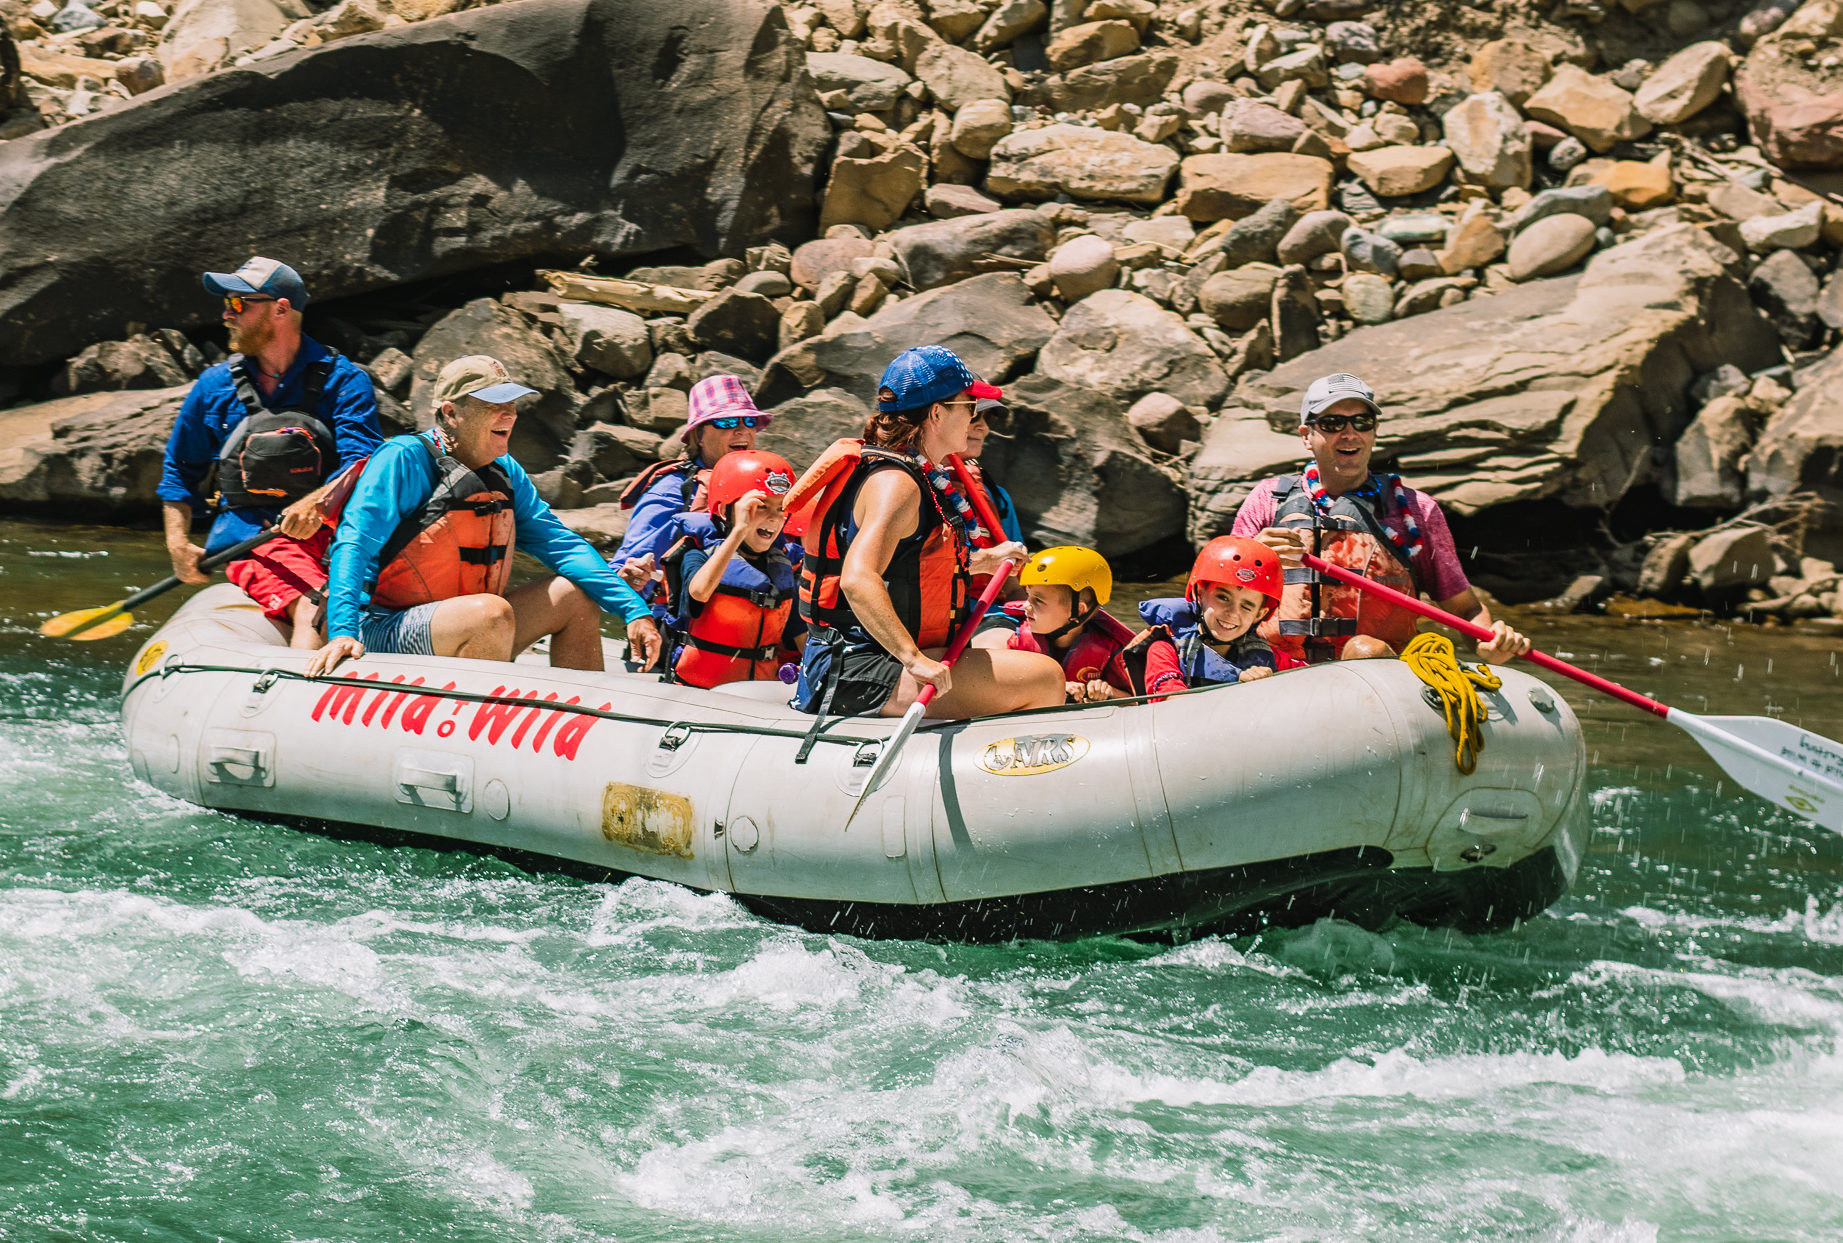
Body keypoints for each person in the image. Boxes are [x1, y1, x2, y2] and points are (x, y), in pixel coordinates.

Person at [304, 356, 662, 677]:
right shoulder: (403, 459)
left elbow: (563, 546)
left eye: (512, 403)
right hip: (381, 627)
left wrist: (634, 611)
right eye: (494, 404)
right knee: (489, 613)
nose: (510, 414)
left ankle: (586, 723)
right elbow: (353, 545)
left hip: (470, 623)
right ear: (451, 413)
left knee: (573, 594)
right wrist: (343, 634)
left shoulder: (505, 472)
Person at [788, 346, 1064, 720]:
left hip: (867, 660)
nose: (974, 417)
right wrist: (912, 658)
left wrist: (987, 560)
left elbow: (912, 564)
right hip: (854, 669)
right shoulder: (897, 484)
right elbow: (857, 578)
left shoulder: (916, 472)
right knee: (1045, 677)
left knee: (1022, 664)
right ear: (937, 413)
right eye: (968, 405)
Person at [156, 257, 383, 648]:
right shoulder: (214, 385)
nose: (226, 314)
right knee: (318, 608)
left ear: (281, 309)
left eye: (239, 304)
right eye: (226, 304)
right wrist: (177, 543)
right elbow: (179, 470)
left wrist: (315, 504)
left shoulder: (345, 381)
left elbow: (364, 463)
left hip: (330, 537)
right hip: (252, 539)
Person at [1234, 371, 1531, 665]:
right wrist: (1253, 559)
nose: (1349, 433)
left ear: (1374, 432)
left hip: (1378, 676)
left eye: (1362, 423)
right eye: (1332, 423)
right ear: (1306, 436)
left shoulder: (1417, 511)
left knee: (1366, 649)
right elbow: (1216, 594)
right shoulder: (1268, 499)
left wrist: (1488, 644)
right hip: (1273, 670)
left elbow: (1465, 610)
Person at [611, 374, 772, 602]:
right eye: (726, 422)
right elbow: (619, 581)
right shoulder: (672, 490)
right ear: (699, 435)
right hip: (687, 630)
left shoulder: (768, 484)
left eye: (749, 421)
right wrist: (629, 578)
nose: (742, 430)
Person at [659, 450, 805, 688]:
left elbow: (802, 638)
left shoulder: (783, 569)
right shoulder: (696, 555)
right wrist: (738, 531)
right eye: (760, 506)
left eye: (781, 509)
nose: (773, 518)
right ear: (725, 510)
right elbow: (699, 593)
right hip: (698, 691)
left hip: (758, 694)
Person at [976, 545, 1184, 703]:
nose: (1026, 607)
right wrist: (1052, 687)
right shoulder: (1017, 640)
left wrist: (1107, 692)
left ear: (1079, 610)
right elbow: (997, 688)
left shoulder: (1110, 650)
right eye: (1029, 596)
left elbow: (1137, 700)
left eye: (1038, 601)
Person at [1138, 537, 1288, 687]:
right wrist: (1240, 683)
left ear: (1260, 614)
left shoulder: (1270, 657)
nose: (1232, 613)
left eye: (1246, 607)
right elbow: (1172, 703)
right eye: (1223, 597)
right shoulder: (1163, 651)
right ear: (1200, 594)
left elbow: (1308, 678)